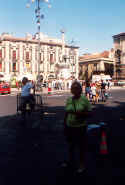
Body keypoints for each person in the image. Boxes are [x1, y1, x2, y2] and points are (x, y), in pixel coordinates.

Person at [63, 81, 91, 174]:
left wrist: (81, 114)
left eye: (77, 88)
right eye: (73, 88)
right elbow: (66, 113)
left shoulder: (84, 100)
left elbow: (90, 113)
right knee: (71, 146)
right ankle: (71, 162)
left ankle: (81, 164)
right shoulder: (69, 100)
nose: (75, 90)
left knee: (81, 147)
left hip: (80, 127)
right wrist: (64, 125)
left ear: (80, 90)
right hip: (70, 126)